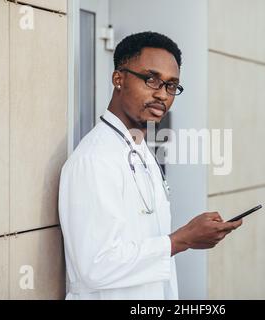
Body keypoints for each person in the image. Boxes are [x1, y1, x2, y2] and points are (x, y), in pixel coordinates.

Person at [58, 31, 242, 300]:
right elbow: (94, 266)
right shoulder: (94, 159)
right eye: (151, 79)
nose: (162, 94)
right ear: (118, 78)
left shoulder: (141, 150)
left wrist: (187, 238)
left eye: (171, 86)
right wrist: (181, 240)